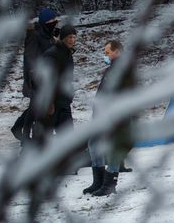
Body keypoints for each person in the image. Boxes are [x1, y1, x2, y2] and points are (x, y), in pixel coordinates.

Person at [85, 39, 136, 196]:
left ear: (117, 52)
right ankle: (98, 181)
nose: (105, 55)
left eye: (108, 52)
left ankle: (109, 183)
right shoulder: (112, 69)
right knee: (93, 144)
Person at [13, 7, 60, 144]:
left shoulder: (48, 34)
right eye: (52, 20)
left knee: (35, 107)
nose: (55, 22)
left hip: (47, 77)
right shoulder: (34, 35)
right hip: (37, 78)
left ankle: (19, 130)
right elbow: (30, 57)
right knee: (35, 106)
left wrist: (56, 39)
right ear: (45, 21)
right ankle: (24, 136)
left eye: (55, 20)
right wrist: (33, 76)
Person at [29, 23, 78, 146]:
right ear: (62, 37)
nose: (72, 40)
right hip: (51, 105)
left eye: (74, 37)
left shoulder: (67, 53)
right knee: (43, 139)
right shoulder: (52, 54)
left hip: (63, 102)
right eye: (69, 37)